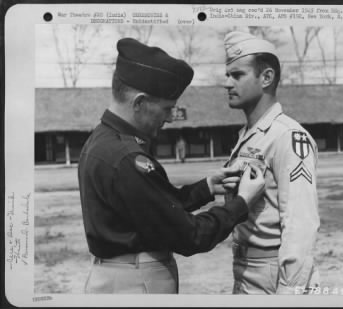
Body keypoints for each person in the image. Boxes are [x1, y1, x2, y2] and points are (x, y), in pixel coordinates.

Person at [78, 37, 266, 294]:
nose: (168, 119)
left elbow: (154, 209)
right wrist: (242, 203)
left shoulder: (101, 140)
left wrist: (208, 186)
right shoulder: (129, 159)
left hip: (114, 277)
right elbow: (191, 236)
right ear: (139, 102)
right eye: (166, 109)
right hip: (137, 282)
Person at [222, 31, 320, 295]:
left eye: (237, 75)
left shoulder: (287, 136)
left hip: (272, 271)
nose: (227, 83)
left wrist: (291, 291)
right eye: (227, 75)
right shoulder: (250, 134)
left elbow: (300, 222)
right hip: (245, 265)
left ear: (266, 77)